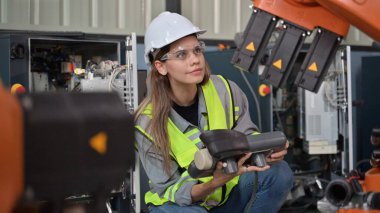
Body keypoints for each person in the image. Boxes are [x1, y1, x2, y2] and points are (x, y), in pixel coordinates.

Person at [134, 11, 293, 213]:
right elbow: (169, 190)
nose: (195, 60)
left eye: (197, 50)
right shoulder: (146, 122)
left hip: (228, 193)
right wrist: (214, 183)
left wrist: (265, 150)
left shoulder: (225, 90)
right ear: (161, 66)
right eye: (182, 54)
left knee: (279, 173)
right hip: (187, 205)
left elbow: (247, 136)